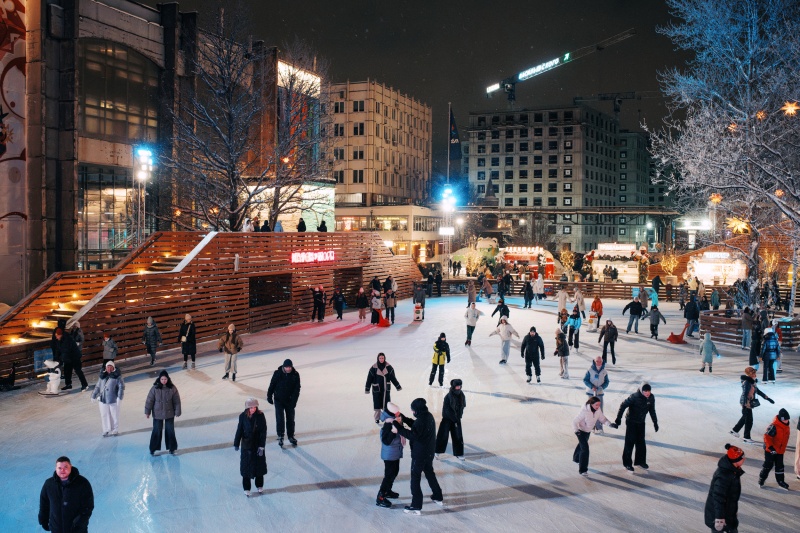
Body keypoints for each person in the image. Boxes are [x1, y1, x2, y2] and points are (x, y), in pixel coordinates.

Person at [392, 398, 444, 514]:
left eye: (413, 410)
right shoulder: (427, 416)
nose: (413, 412)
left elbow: (412, 435)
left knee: (415, 478)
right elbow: (416, 425)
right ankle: (437, 496)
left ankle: (416, 505)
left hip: (420, 455)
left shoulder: (421, 421)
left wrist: (398, 426)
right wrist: (404, 418)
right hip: (429, 452)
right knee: (430, 473)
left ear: (417, 410)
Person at [38, 456, 93, 533]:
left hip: (77, 530)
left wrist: (79, 522)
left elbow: (88, 506)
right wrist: (43, 520)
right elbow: (44, 504)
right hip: (56, 529)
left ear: (71, 466)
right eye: (59, 468)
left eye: (65, 467)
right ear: (56, 468)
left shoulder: (82, 483)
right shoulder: (49, 484)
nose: (62, 470)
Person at [614, 382, 659, 473]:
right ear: (642, 390)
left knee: (641, 442)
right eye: (645, 391)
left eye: (649, 391)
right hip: (631, 422)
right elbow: (623, 405)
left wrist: (655, 422)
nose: (647, 393)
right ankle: (627, 463)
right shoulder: (634, 397)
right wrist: (618, 419)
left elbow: (652, 410)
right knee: (630, 442)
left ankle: (640, 461)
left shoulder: (651, 398)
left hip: (641, 422)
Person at [704, 444, 745, 533]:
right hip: (717, 513)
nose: (744, 459)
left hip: (728, 510)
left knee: (732, 528)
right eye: (742, 457)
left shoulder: (733, 470)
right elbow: (718, 497)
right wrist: (719, 518)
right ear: (736, 460)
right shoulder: (724, 475)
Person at [572, 396, 617, 476]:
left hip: (588, 431)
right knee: (585, 449)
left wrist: (610, 424)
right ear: (591, 404)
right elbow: (574, 421)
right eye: (596, 405)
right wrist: (576, 431)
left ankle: (576, 458)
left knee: (581, 445)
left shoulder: (598, 410)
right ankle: (583, 470)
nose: (598, 406)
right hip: (580, 431)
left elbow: (602, 419)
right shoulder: (584, 411)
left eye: (599, 405)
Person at [234, 398, 268, 497]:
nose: (253, 409)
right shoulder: (242, 416)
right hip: (246, 446)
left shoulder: (260, 416)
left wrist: (261, 446)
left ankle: (259, 485)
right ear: (247, 407)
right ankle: (246, 488)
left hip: (257, 445)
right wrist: (236, 443)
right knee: (246, 468)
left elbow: (263, 432)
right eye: (251, 407)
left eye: (254, 407)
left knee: (259, 467)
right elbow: (239, 430)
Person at [730, 366, 773, 443]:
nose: (755, 375)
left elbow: (758, 391)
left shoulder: (752, 382)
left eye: (754, 374)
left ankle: (735, 431)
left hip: (748, 403)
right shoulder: (747, 382)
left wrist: (767, 398)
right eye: (753, 374)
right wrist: (744, 405)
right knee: (749, 420)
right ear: (749, 374)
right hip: (746, 403)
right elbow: (745, 393)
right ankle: (746, 437)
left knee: (745, 418)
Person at [144, 370, 182, 455]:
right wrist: (147, 412)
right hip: (157, 413)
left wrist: (177, 411)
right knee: (157, 430)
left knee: (170, 430)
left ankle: (172, 448)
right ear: (159, 379)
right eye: (162, 379)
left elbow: (177, 400)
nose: (164, 381)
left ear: (168, 379)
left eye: (165, 379)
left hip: (169, 413)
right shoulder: (155, 388)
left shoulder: (172, 388)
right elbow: (149, 400)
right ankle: (153, 448)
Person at [376, 402, 405, 509]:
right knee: (389, 475)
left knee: (395, 471)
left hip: (395, 452)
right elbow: (386, 441)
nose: (399, 414)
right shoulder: (388, 424)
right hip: (389, 455)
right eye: (397, 412)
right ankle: (380, 497)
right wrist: (393, 432)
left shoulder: (394, 421)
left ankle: (387, 491)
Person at [267, 359, 301, 447]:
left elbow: (297, 390)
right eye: (286, 367)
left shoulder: (295, 375)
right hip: (278, 400)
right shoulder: (278, 373)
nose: (288, 369)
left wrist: (294, 401)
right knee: (280, 418)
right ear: (283, 367)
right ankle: (280, 435)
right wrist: (269, 396)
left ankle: (290, 436)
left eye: (289, 367)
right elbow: (272, 384)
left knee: (290, 419)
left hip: (289, 401)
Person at [758, 408, 791, 490]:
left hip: (780, 451)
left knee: (780, 466)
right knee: (768, 465)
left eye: (787, 419)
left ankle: (780, 481)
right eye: (785, 419)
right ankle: (762, 478)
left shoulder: (786, 427)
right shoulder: (774, 426)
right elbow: (767, 437)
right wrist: (771, 447)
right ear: (780, 419)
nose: (787, 421)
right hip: (770, 450)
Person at [365, 353, 402, 423]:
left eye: (382, 358)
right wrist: (367, 388)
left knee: (386, 404)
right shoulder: (373, 368)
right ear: (378, 359)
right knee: (377, 404)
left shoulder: (389, 367)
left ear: (384, 358)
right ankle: (377, 418)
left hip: (385, 389)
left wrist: (397, 386)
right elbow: (369, 379)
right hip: (377, 389)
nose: (381, 360)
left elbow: (393, 378)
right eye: (380, 358)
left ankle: (386, 416)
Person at [91, 361, 125, 437]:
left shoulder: (117, 377)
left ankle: (114, 429)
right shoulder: (102, 376)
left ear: (113, 368)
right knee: (104, 415)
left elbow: (121, 387)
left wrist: (119, 398)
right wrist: (93, 395)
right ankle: (106, 429)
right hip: (103, 399)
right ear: (105, 368)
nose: (109, 368)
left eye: (110, 367)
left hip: (113, 399)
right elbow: (97, 386)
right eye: (107, 367)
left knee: (114, 415)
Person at [435, 379, 466, 460]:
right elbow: (447, 410)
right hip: (447, 419)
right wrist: (454, 419)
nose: (458, 387)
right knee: (443, 436)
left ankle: (459, 453)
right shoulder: (448, 396)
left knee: (458, 436)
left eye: (460, 386)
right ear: (453, 386)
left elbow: (462, 407)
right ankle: (437, 451)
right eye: (457, 386)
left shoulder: (462, 395)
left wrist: (458, 417)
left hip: (457, 419)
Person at [583, 356, 610, 433]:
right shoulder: (590, 370)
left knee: (599, 410)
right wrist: (592, 387)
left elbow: (607, 382)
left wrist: (602, 387)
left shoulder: (604, 371)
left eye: (600, 361)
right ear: (594, 362)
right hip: (591, 393)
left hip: (599, 393)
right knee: (590, 410)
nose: (598, 363)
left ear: (602, 362)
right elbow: (585, 380)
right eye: (597, 361)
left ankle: (599, 427)